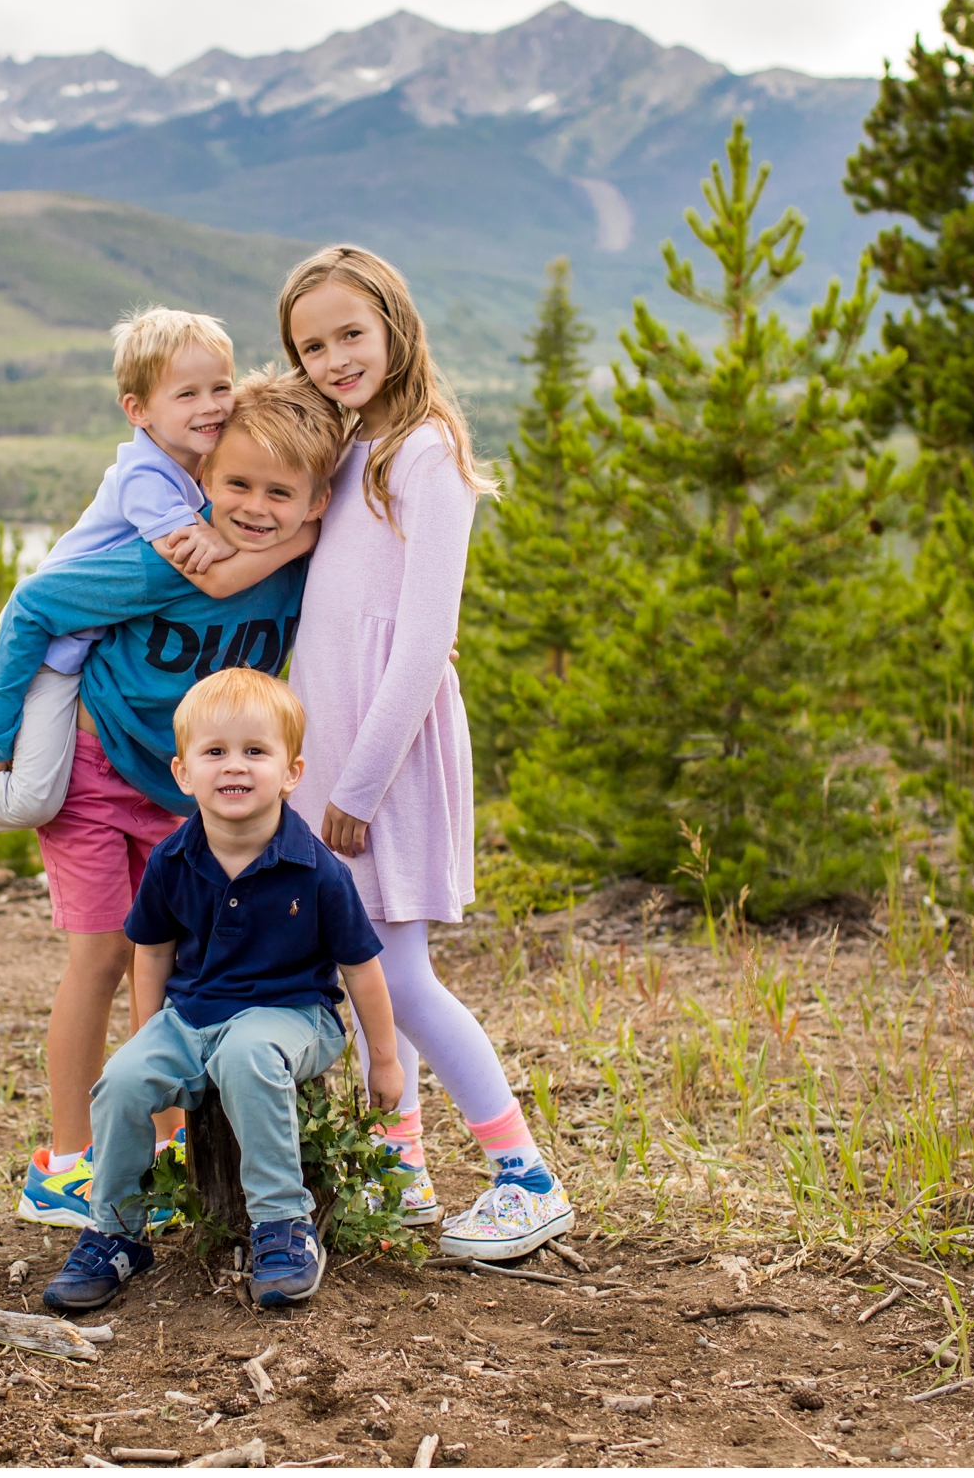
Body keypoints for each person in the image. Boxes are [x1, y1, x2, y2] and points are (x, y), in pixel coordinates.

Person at [0, 373, 347, 1228]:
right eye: (236, 484)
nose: (256, 507)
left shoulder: (299, 574)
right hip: (94, 769)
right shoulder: (164, 563)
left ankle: (172, 1144)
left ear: (313, 498)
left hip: (185, 792)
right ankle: (67, 1159)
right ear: (202, 480)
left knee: (186, 958)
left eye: (279, 493)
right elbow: (35, 603)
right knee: (104, 956)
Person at [279, 244, 574, 1261]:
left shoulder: (426, 451)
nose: (333, 357)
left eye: (351, 333)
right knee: (362, 971)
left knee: (399, 977)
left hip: (383, 756)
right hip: (332, 753)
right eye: (311, 344)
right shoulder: (355, 445)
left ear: (397, 326)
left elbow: (421, 641)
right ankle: (398, 1172)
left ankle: (522, 1172)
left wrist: (358, 782)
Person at [0, 308, 312, 868]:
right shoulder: (145, 480)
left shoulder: (192, 462)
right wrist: (304, 534)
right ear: (138, 409)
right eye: (188, 395)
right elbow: (215, 574)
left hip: (93, 643)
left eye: (221, 388)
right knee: (29, 797)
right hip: (56, 645)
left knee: (35, 795)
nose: (211, 406)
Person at [40, 666, 401, 1313]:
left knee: (246, 1054)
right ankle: (116, 1230)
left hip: (295, 1014)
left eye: (255, 751)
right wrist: (150, 1030)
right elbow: (151, 952)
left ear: (292, 771)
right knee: (121, 1079)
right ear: (183, 773)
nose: (235, 766)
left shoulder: (317, 868)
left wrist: (386, 1057)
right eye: (216, 751)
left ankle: (282, 1225)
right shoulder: (174, 860)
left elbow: (361, 966)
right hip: (194, 1016)